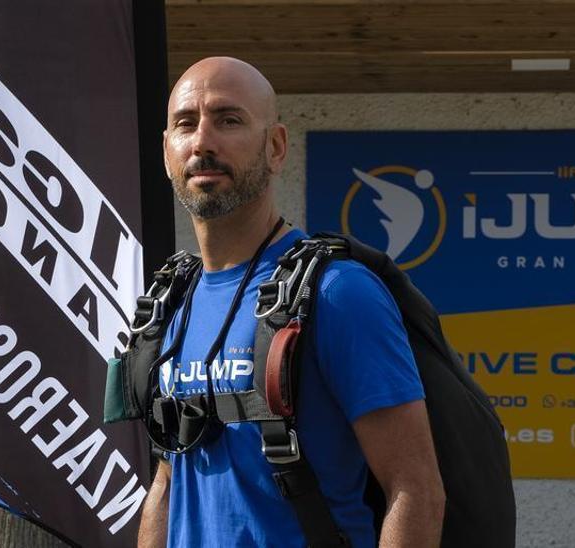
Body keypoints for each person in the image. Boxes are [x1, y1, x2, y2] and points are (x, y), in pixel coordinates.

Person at [137, 57, 446, 547]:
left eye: (229, 120)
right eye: (185, 124)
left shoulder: (338, 292)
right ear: (166, 151)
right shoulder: (170, 304)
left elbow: (416, 489)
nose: (202, 142)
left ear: (276, 147)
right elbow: (167, 483)